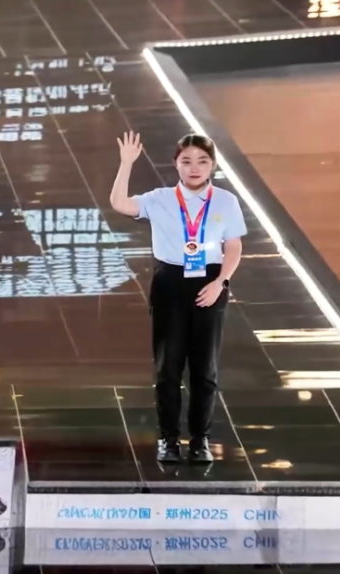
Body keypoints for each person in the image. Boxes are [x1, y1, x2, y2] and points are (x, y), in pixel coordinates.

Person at [110, 132, 246, 463]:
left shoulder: (225, 201)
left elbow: (233, 246)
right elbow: (120, 203)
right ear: (176, 164)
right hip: (170, 283)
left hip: (210, 283)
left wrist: (221, 282)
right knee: (168, 368)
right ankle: (168, 440)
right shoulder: (160, 199)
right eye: (186, 161)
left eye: (202, 161)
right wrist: (126, 164)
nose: (194, 168)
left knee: (204, 369)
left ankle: (200, 440)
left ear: (212, 165)